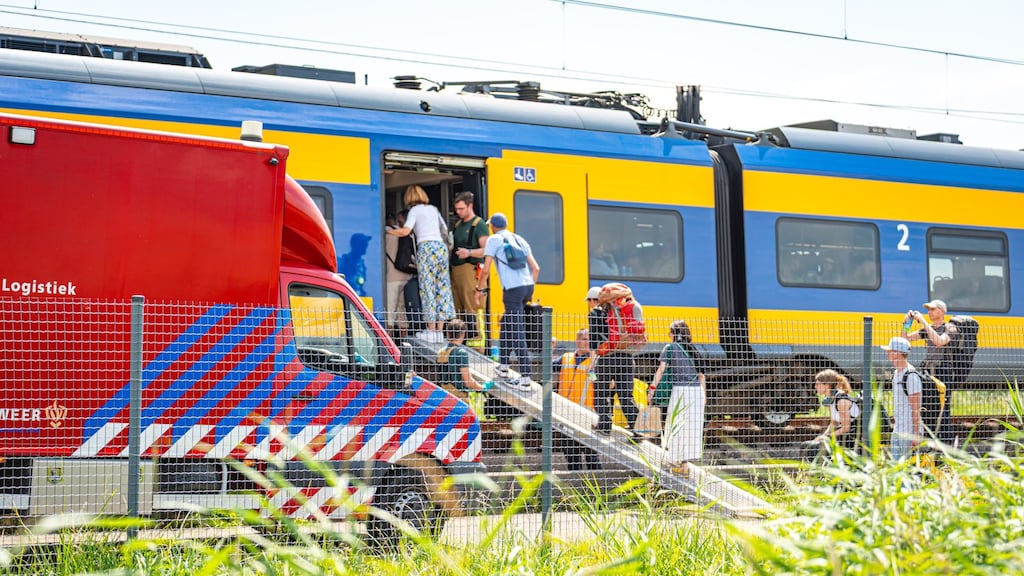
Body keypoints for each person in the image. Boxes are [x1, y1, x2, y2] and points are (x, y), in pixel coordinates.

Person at [474, 212, 539, 389]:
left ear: (492, 226)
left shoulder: (494, 239)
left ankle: (525, 378)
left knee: (517, 331)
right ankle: (503, 366)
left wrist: (479, 290)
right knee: (508, 323)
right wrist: (528, 290)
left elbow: (485, 269)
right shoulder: (519, 239)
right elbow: (536, 268)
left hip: (512, 290)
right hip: (527, 287)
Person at [386, 185, 455, 343]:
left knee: (427, 288)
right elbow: (445, 230)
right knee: (441, 289)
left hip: (426, 248)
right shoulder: (433, 209)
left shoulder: (415, 211)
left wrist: (388, 231)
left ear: (408, 198)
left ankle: (431, 330)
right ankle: (439, 332)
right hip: (441, 248)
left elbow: (405, 231)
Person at [648, 320, 706, 476]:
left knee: (675, 425)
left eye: (670, 333)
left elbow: (661, 370)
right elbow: (701, 375)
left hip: (681, 391)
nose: (669, 336)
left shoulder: (670, 348)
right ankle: (685, 465)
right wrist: (704, 396)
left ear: (675, 334)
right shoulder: (694, 349)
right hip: (697, 392)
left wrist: (652, 389)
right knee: (690, 429)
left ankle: (675, 462)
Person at [592, 282, 644, 435]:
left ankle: (604, 426)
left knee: (601, 392)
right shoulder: (630, 308)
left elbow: (595, 340)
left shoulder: (598, 312)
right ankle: (637, 428)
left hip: (607, 357)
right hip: (627, 357)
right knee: (625, 394)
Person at [903, 298, 956, 444]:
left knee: (943, 408)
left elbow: (939, 341)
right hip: (928, 372)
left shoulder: (950, 328)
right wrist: (907, 323)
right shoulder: (927, 329)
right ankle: (931, 441)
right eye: (928, 310)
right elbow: (905, 339)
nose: (929, 312)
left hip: (943, 371)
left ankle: (946, 443)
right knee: (928, 406)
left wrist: (923, 322)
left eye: (933, 309)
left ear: (942, 311)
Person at [553, 326, 601, 470]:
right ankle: (576, 481)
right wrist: (550, 348)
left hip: (587, 415)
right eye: (585, 339)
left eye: (590, 340)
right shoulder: (566, 358)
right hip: (566, 414)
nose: (588, 343)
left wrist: (592, 371)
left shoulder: (595, 361)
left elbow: (607, 385)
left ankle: (598, 482)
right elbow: (549, 366)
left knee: (591, 456)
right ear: (577, 340)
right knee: (571, 455)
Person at [451, 192, 489, 347]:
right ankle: (461, 343)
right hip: (456, 271)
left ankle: (477, 345)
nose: (458, 212)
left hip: (471, 271)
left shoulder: (479, 225)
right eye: (456, 209)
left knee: (472, 307)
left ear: (470, 206)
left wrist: (470, 252)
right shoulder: (458, 225)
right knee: (459, 309)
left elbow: (487, 249)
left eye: (461, 209)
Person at [882, 336, 922, 461]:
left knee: (908, 467)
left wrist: (916, 435)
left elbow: (916, 408)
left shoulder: (911, 376)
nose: (887, 353)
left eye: (890, 351)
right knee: (897, 466)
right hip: (898, 430)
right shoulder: (896, 374)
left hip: (909, 432)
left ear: (897, 353)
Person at [436, 319, 490, 401]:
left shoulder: (440, 352)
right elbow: (468, 382)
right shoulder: (460, 352)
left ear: (447, 334)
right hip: (458, 400)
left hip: (444, 398)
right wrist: (482, 387)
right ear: (463, 334)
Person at [812, 369, 860, 452]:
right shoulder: (830, 399)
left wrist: (828, 437)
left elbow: (846, 428)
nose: (815, 387)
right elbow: (834, 422)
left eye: (817, 384)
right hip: (848, 434)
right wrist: (824, 435)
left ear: (827, 385)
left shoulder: (841, 401)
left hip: (856, 434)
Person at [384, 211, 414, 339]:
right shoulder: (408, 233)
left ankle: (389, 344)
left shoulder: (387, 233)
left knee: (389, 311)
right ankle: (403, 341)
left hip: (392, 277)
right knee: (401, 310)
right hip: (406, 275)